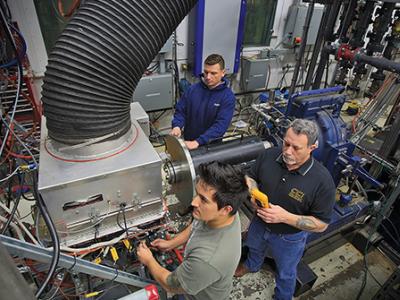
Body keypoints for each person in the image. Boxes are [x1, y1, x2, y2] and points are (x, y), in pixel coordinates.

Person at [235, 119, 336, 300]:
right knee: (254, 248)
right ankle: (252, 265)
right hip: (259, 222)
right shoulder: (269, 156)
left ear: (312, 147)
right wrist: (254, 192)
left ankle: (283, 296)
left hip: (289, 238)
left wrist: (285, 217)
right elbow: (249, 176)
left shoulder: (322, 181)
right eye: (286, 143)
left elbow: (321, 225)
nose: (287, 151)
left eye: (296, 148)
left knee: (286, 272)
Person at [137, 161, 248, 300]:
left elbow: (170, 285)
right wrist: (171, 243)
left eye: (203, 199)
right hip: (196, 281)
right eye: (197, 194)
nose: (194, 202)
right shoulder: (223, 214)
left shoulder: (207, 260)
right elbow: (197, 225)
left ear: (226, 209)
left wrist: (149, 261)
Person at [170, 54, 235, 150]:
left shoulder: (227, 97)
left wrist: (198, 142)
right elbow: (181, 111)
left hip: (211, 146)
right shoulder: (192, 90)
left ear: (223, 72)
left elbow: (220, 126)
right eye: (206, 72)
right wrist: (177, 126)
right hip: (189, 142)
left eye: (213, 73)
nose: (208, 77)